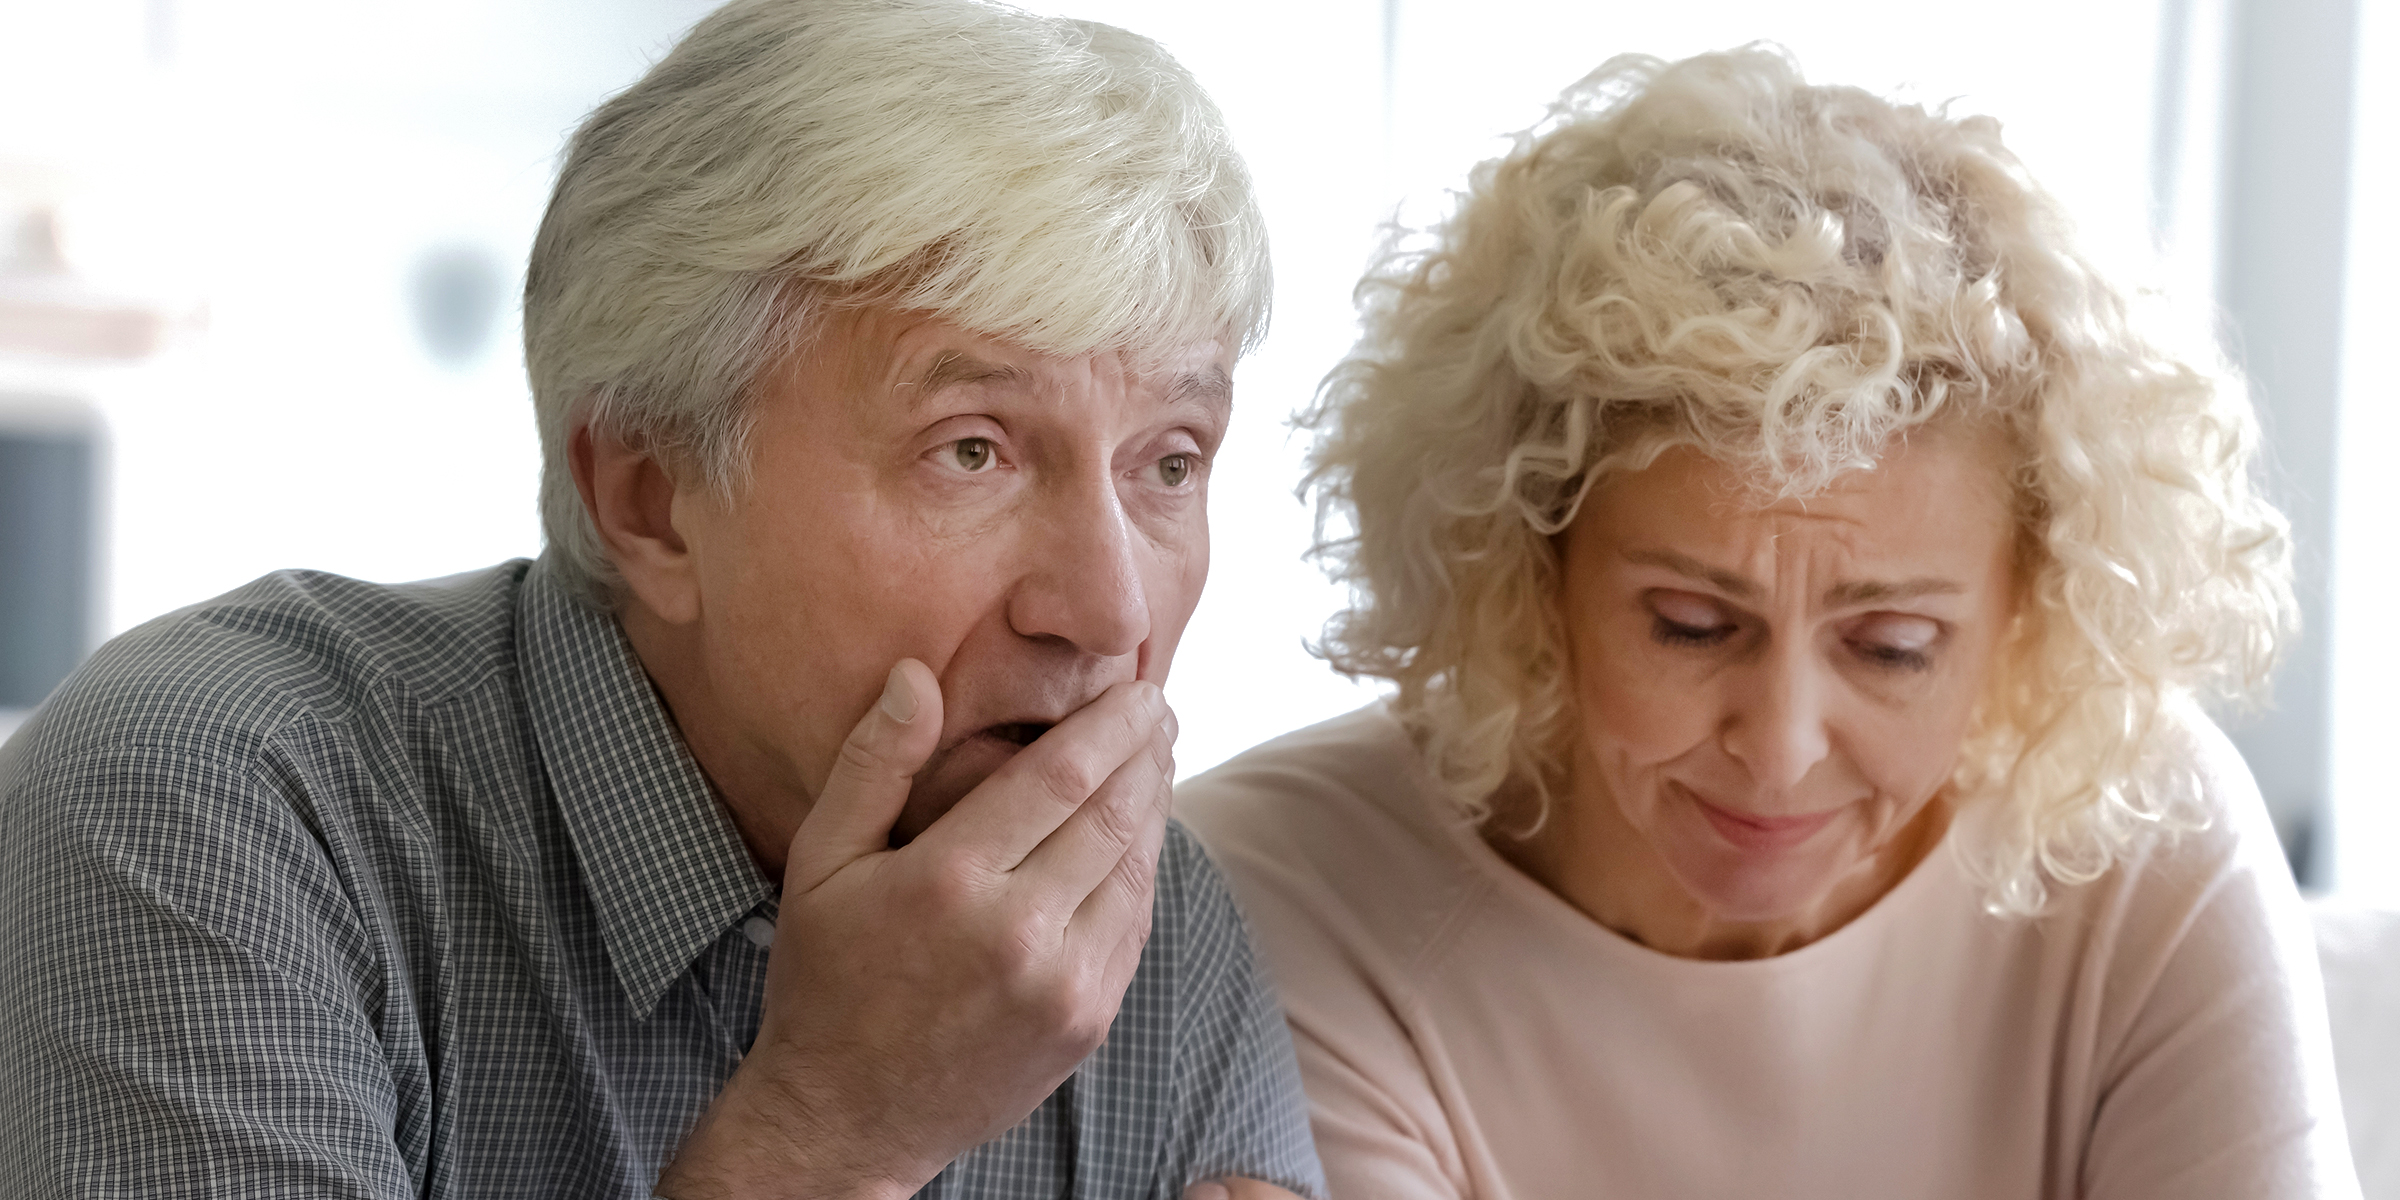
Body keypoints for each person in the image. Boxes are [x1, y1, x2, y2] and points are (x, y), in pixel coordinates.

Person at [0, 2, 1326, 1197]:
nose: (1104, 614)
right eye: (971, 449)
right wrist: (832, 1130)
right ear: (649, 500)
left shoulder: (1142, 925)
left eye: (1169, 464)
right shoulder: (215, 804)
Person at [1179, 46, 2362, 1200]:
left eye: (1894, 647)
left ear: (2028, 608)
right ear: (1534, 569)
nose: (1783, 745)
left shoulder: (2143, 843)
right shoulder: (1284, 893)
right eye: (1692, 625)